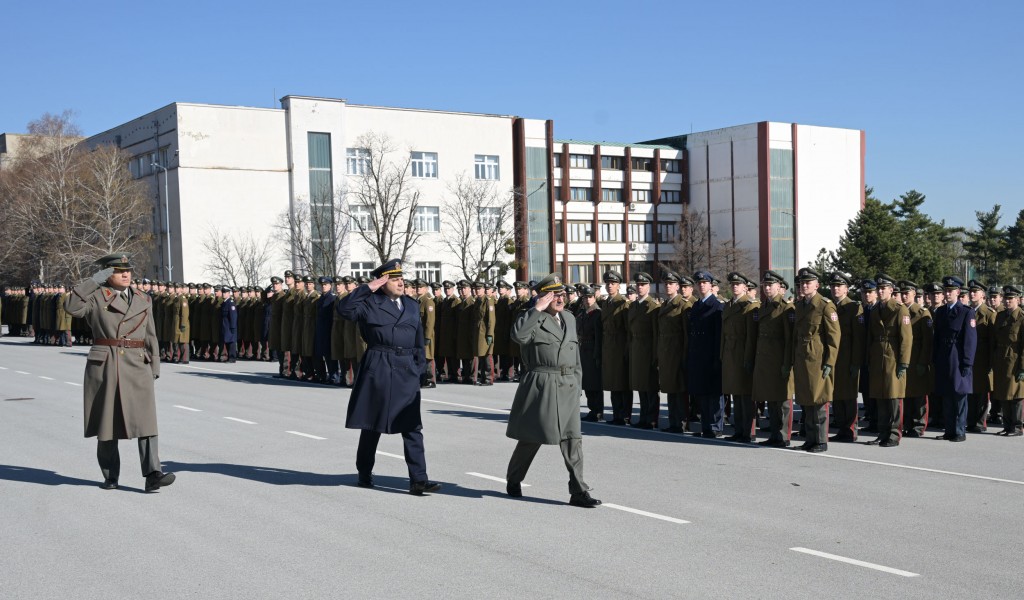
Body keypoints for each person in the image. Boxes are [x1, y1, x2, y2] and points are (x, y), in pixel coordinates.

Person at [64, 253, 175, 492]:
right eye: (118, 271)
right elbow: (71, 307)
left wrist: (154, 364)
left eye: (128, 270)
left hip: (137, 363)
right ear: (106, 273)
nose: (126, 274)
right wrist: (94, 281)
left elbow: (150, 334)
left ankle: (153, 473)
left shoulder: (143, 298)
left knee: (147, 422)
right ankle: (110, 475)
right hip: (106, 363)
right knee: (107, 423)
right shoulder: (95, 296)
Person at [336, 259, 441, 495]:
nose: (401, 282)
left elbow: (418, 340)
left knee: (412, 425)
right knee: (372, 424)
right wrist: (367, 288)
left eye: (401, 278)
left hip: (406, 368)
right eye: (394, 279)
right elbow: (344, 310)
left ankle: (418, 480)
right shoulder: (369, 303)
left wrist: (421, 368)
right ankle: (364, 471)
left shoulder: (411, 306)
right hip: (379, 366)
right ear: (382, 283)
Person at [505, 273, 600, 507]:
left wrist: (577, 384)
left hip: (567, 384)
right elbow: (518, 336)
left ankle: (578, 490)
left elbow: (574, 356)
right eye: (554, 294)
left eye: (562, 293)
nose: (560, 298)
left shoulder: (569, 317)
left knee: (572, 439)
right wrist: (537, 308)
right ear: (543, 297)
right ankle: (514, 479)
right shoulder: (531, 318)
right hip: (542, 384)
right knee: (532, 437)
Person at [791, 268, 840, 453]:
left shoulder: (825, 306)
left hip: (818, 359)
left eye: (808, 283)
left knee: (819, 401)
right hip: (803, 358)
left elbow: (834, 338)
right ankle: (810, 438)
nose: (804, 285)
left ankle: (820, 440)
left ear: (817, 285)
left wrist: (829, 362)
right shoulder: (800, 305)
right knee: (806, 400)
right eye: (802, 283)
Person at [866, 274, 912, 447]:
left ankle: (893, 434)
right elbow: (870, 337)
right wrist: (869, 359)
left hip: (893, 358)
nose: (880, 291)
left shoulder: (900, 309)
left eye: (883, 288)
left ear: (891, 290)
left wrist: (904, 362)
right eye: (878, 288)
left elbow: (906, 339)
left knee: (893, 398)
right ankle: (883, 432)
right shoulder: (875, 309)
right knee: (880, 397)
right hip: (878, 357)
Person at [931, 276, 977, 442]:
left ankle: (959, 431)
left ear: (958, 292)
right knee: (946, 397)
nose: (948, 293)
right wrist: (935, 357)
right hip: (944, 358)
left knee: (959, 397)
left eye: (951, 291)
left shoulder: (966, 312)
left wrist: (967, 362)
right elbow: (937, 337)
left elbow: (970, 341)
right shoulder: (942, 311)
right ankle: (949, 430)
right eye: (946, 290)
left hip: (958, 359)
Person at [721, 272, 759, 442]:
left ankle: (747, 432)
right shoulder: (729, 305)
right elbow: (724, 333)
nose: (735, 287)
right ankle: (738, 430)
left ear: (745, 287)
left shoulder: (749, 305)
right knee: (735, 393)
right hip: (730, 353)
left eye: (738, 284)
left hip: (742, 353)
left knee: (745, 394)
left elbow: (751, 336)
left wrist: (748, 358)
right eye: (733, 284)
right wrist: (722, 353)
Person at [829, 272, 865, 442]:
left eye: (839, 286)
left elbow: (858, 338)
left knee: (849, 396)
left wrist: (856, 362)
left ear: (846, 289)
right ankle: (841, 428)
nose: (835, 289)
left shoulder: (853, 307)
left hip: (848, 356)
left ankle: (850, 430)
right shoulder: (829, 306)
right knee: (836, 394)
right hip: (834, 356)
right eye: (833, 286)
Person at [688, 270, 724, 438]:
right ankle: (706, 427)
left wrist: (717, 358)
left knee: (714, 394)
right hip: (698, 356)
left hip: (711, 355)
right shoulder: (697, 306)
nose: (701, 285)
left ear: (711, 285)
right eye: (699, 283)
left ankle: (715, 427)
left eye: (705, 282)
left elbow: (718, 335)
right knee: (702, 393)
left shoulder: (717, 306)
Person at [657, 271, 693, 433]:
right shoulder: (664, 305)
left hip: (677, 352)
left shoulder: (684, 305)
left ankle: (682, 422)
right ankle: (673, 422)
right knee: (670, 388)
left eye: (671, 283)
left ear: (678, 286)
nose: (668, 286)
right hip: (666, 352)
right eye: (666, 283)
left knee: (679, 389)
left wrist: (685, 356)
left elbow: (686, 335)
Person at [628, 271, 660, 428]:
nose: (640, 287)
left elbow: (656, 333)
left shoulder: (652, 306)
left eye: (643, 285)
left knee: (651, 387)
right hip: (636, 348)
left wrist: (655, 355)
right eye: (638, 285)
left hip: (648, 349)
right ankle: (643, 417)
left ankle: (651, 419)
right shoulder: (633, 305)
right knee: (641, 385)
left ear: (649, 286)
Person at [991, 285, 1024, 436]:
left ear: (1017, 299)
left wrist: (1022, 367)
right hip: (1001, 361)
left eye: (1011, 298)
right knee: (1003, 394)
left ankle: (1017, 427)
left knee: (1016, 396)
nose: (1008, 301)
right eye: (1006, 298)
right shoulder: (1001, 316)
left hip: (1015, 361)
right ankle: (1007, 425)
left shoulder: (1021, 318)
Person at [576, 285, 604, 421]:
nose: (587, 300)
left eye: (590, 297)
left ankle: (597, 411)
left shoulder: (597, 313)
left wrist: (597, 355)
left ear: (595, 297)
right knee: (587, 383)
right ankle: (592, 409)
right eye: (585, 297)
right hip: (583, 351)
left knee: (595, 384)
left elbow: (599, 337)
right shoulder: (582, 313)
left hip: (592, 351)